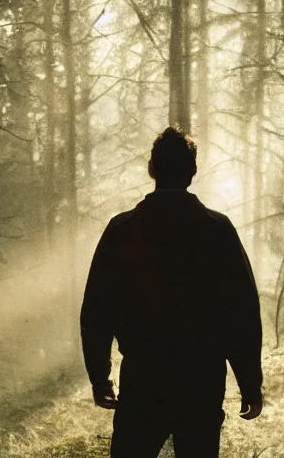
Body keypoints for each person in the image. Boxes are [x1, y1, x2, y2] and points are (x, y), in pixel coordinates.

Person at [80, 125, 263, 458]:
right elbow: (241, 313)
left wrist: (99, 376)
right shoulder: (217, 230)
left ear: (151, 168)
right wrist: (250, 381)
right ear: (192, 171)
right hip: (201, 381)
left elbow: (97, 309)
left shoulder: (122, 230)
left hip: (143, 379)